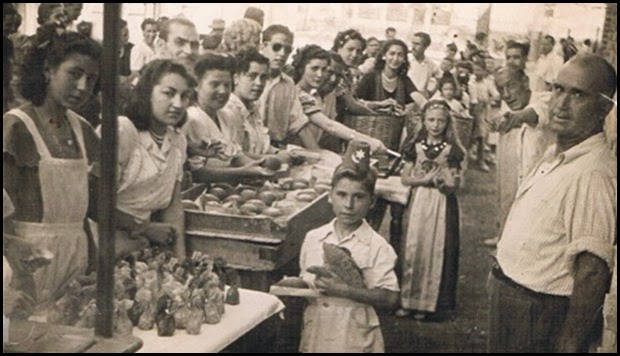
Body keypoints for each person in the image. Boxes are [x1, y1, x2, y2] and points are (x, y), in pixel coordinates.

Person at [488, 54, 617, 353]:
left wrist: (569, 342)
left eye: (578, 95)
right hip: (514, 302)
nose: (561, 103)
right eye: (558, 89)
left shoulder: (593, 174)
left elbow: (592, 273)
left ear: (603, 108)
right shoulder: (560, 153)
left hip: (538, 314)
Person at [3, 31, 101, 303]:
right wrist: (15, 266)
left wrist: (93, 264)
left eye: (91, 79)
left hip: (75, 259)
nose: (82, 86)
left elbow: (83, 210)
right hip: (29, 260)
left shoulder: (83, 130)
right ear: (48, 69)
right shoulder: (17, 128)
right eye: (74, 74)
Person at [298, 141, 399, 353]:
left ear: (372, 202)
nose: (348, 205)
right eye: (342, 195)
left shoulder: (377, 246)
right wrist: (295, 284)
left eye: (359, 197)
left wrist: (343, 290)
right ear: (329, 195)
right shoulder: (314, 238)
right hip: (318, 331)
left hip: (353, 335)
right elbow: (309, 283)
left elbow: (389, 298)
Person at [89, 59, 195, 259]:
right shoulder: (122, 130)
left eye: (185, 96)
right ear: (147, 93)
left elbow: (173, 208)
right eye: (169, 93)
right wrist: (144, 227)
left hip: (138, 249)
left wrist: (181, 260)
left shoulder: (177, 141)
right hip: (99, 244)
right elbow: (93, 201)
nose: (178, 104)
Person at [397, 100, 464, 320]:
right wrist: (423, 179)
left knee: (434, 248)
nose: (435, 125)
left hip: (440, 203)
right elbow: (406, 178)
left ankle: (428, 302)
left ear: (447, 123)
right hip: (418, 201)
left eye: (441, 121)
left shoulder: (451, 150)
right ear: (424, 121)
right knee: (414, 247)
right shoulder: (414, 147)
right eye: (431, 120)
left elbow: (456, 181)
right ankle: (408, 300)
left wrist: (448, 184)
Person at [484, 66, 553, 248]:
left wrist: (517, 117)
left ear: (525, 82)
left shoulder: (544, 98)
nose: (506, 94)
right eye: (501, 90)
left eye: (510, 86)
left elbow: (537, 113)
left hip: (545, 190)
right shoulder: (511, 107)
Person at [183, 53, 275, 183]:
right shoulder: (192, 118)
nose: (223, 91)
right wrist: (243, 172)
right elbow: (197, 173)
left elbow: (236, 156)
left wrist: (259, 166)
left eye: (227, 85)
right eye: (215, 85)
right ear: (197, 85)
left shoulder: (226, 115)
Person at [291, 44, 386, 152]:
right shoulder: (298, 94)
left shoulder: (320, 95)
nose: (319, 74)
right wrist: (367, 140)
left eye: (323, 70)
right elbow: (329, 125)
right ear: (301, 68)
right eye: (314, 68)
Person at [257, 24, 316, 148]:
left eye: (287, 49)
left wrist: (317, 153)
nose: (282, 53)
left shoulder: (288, 84)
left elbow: (298, 123)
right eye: (276, 47)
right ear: (263, 46)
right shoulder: (249, 80)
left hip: (277, 148)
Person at [468, 59, 500, 172]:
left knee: (482, 135)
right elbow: (473, 99)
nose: (476, 72)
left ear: (484, 71)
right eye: (475, 69)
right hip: (471, 108)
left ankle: (480, 160)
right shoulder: (471, 81)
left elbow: (496, 94)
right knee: (471, 134)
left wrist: (489, 100)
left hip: (483, 110)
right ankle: (468, 155)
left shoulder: (487, 82)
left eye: (479, 70)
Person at [408, 32, 439, 98]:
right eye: (413, 43)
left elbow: (441, 78)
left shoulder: (430, 64)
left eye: (417, 44)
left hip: (422, 99)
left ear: (425, 46)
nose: (413, 47)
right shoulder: (406, 59)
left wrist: (431, 92)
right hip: (406, 98)